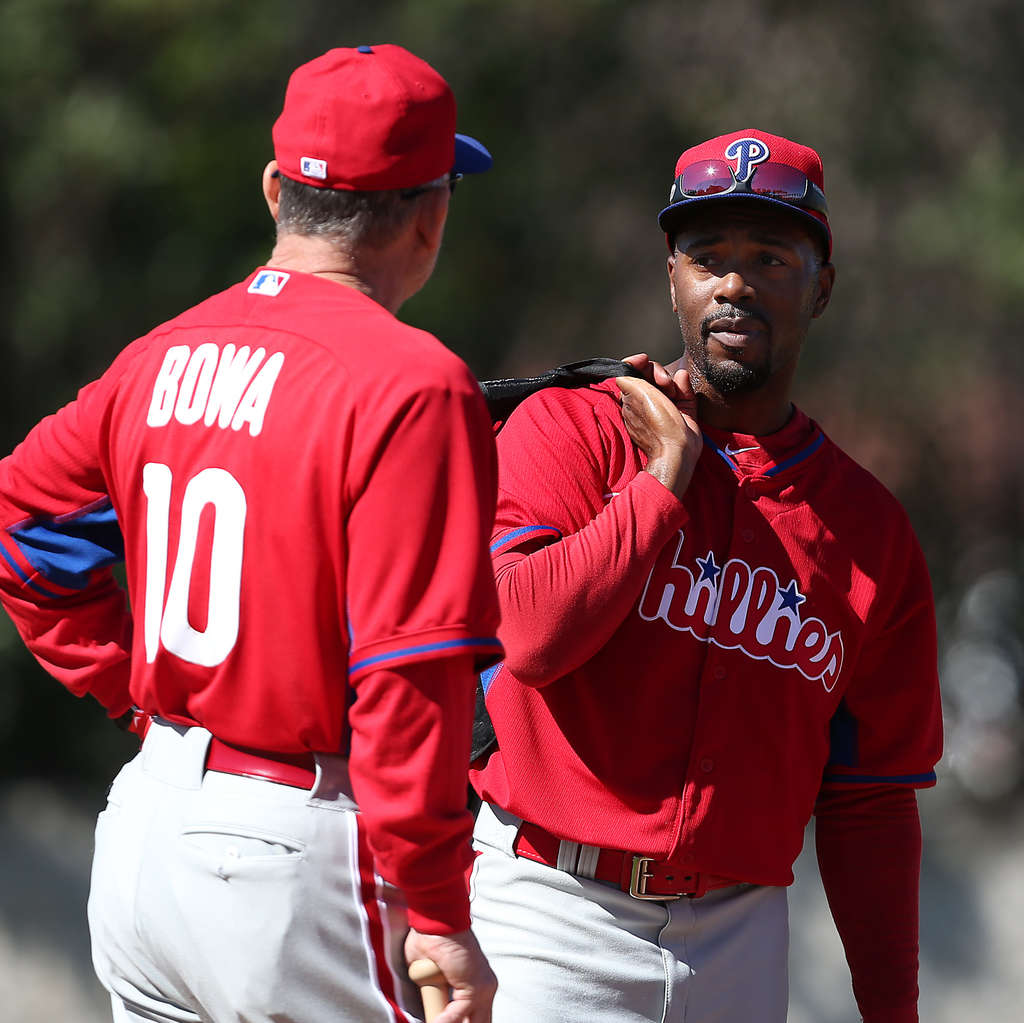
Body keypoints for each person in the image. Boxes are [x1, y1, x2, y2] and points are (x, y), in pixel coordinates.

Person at [0, 45, 501, 1023]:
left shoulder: (159, 355)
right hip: (289, 849)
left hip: (148, 827)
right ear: (431, 217)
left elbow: (24, 525)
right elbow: (411, 672)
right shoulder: (409, 380)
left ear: (276, 190)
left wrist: (142, 699)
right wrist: (438, 910)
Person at [468, 129, 943, 1023]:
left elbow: (871, 800)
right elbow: (529, 636)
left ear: (822, 287)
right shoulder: (572, 430)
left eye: (770, 256)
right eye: (707, 256)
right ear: (673, 277)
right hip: (550, 910)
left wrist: (894, 1011)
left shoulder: (871, 530)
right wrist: (661, 479)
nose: (735, 282)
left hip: (743, 931)